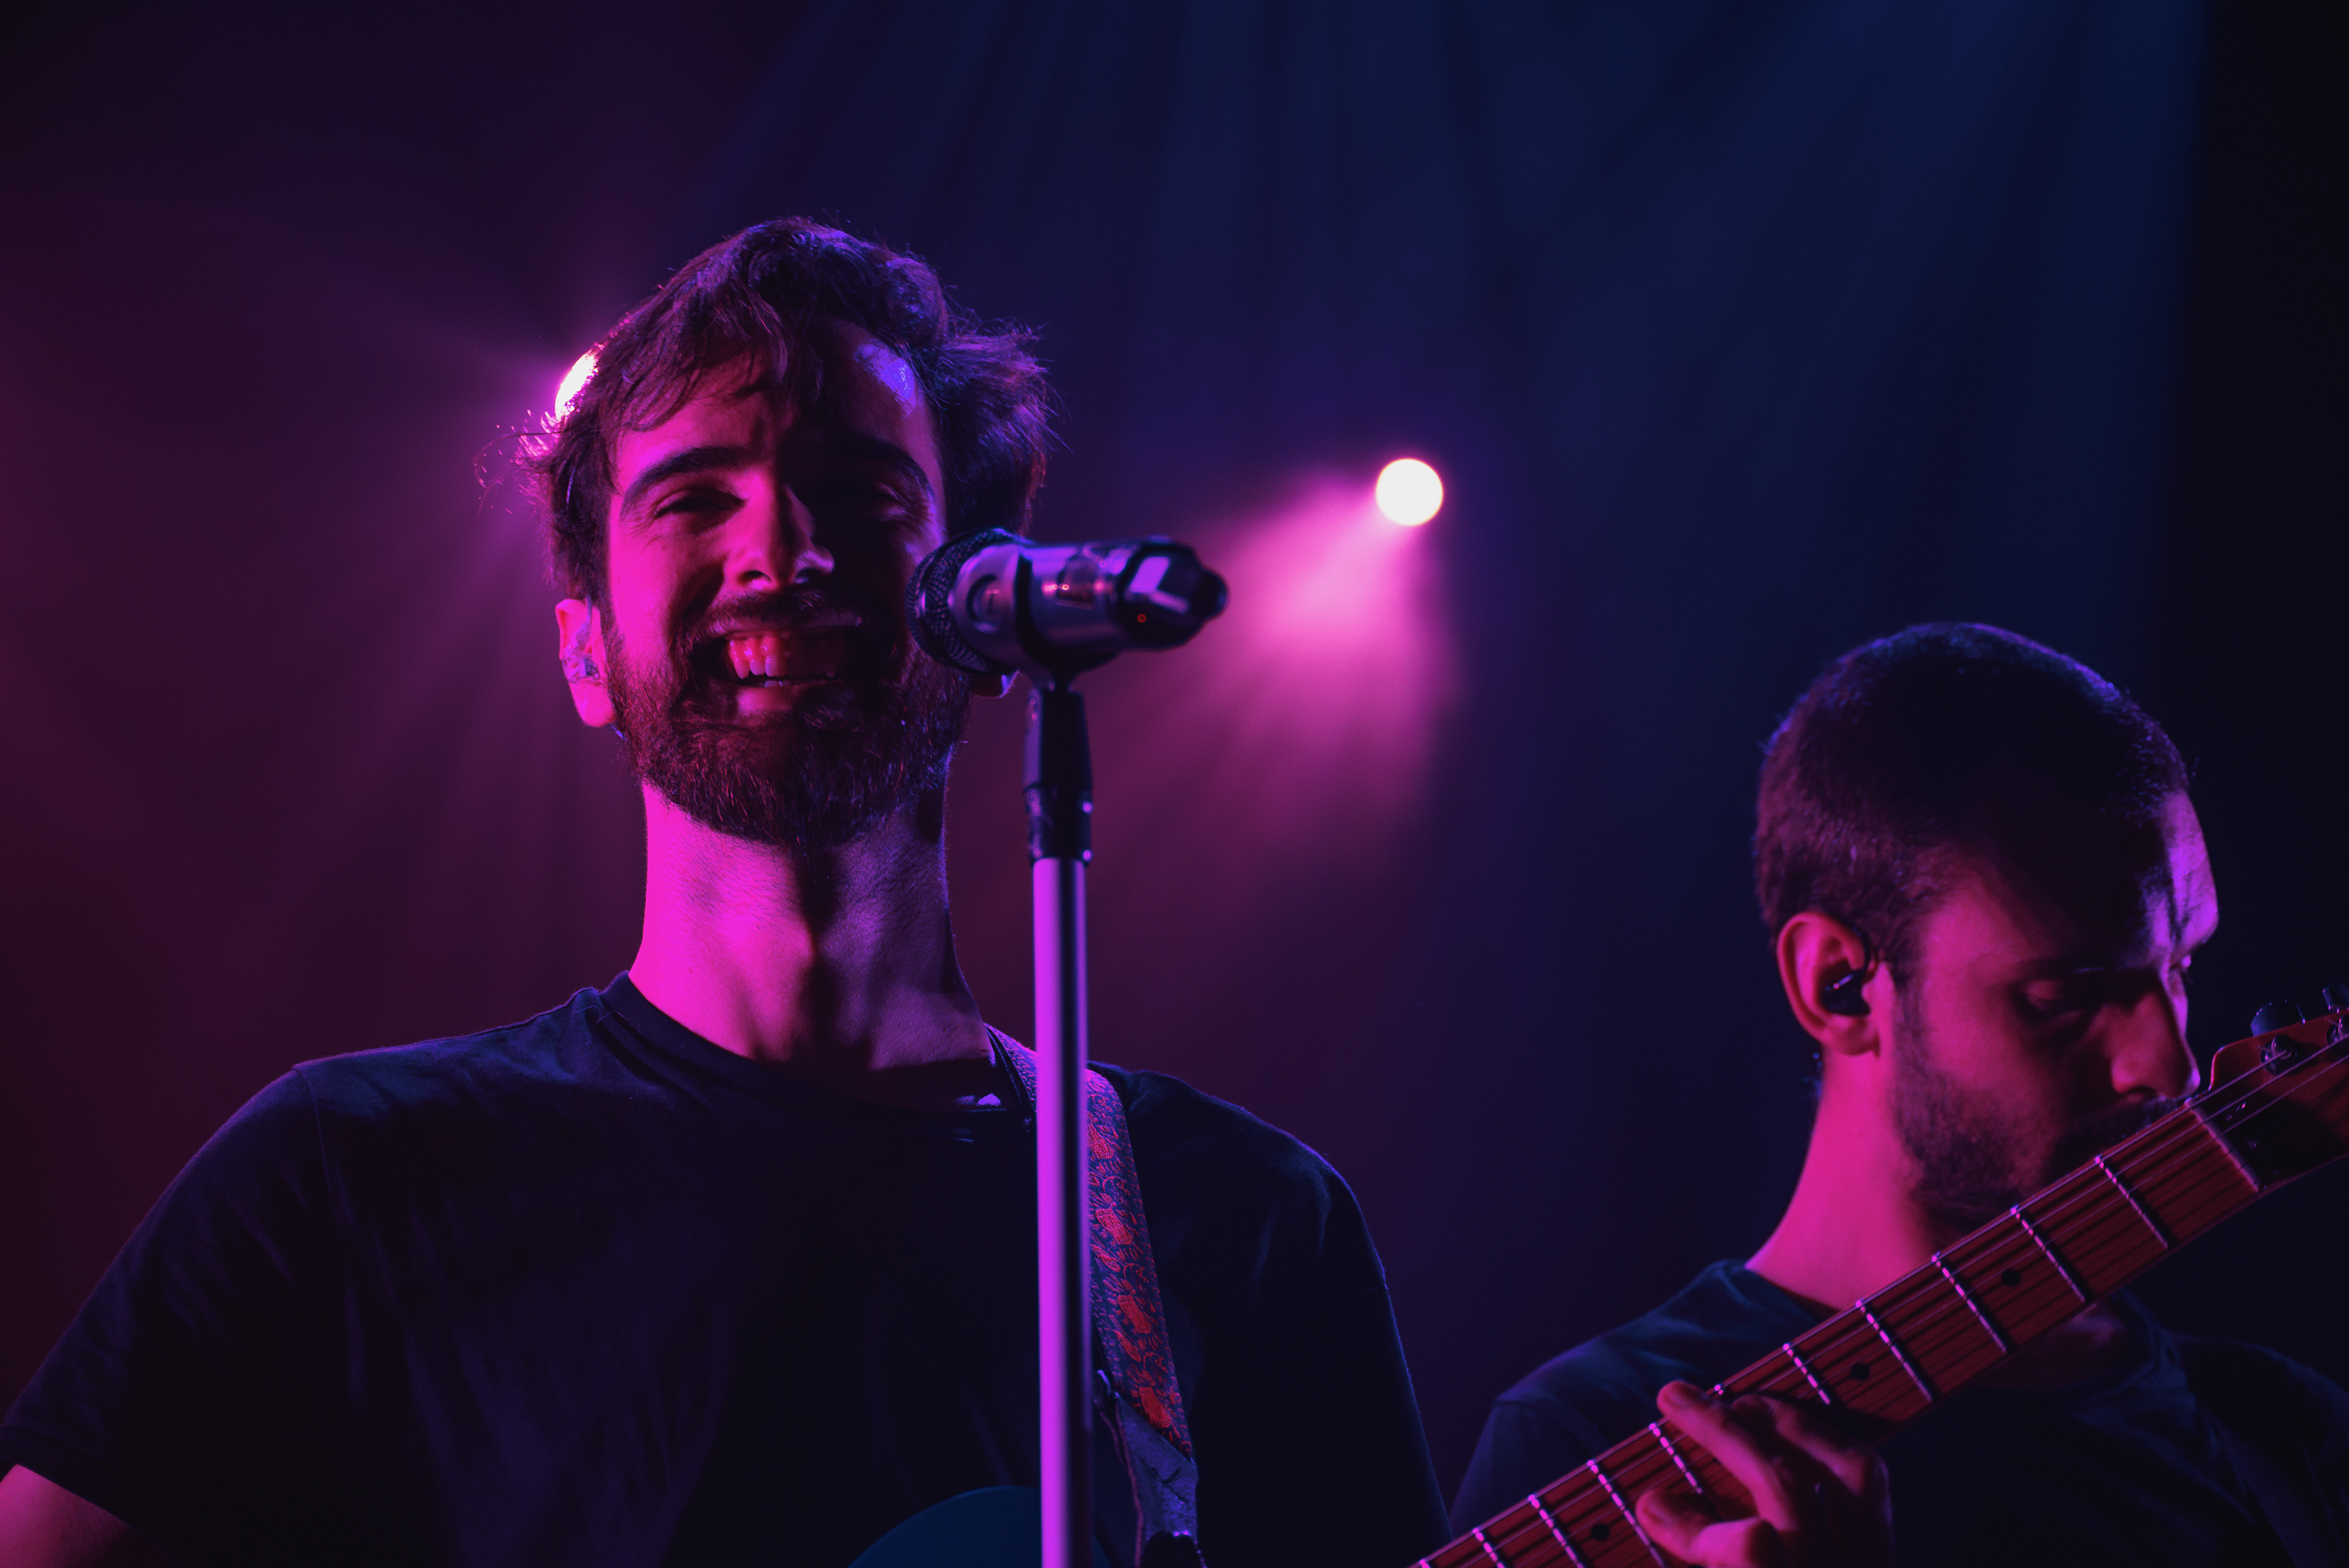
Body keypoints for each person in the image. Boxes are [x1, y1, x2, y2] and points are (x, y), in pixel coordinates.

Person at [0, 219, 1452, 1568]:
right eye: (696, 499)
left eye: (860, 492)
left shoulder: (1240, 1223)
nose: (782, 553)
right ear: (585, 654)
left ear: (984, 610)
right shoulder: (347, 1177)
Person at [1451, 624, 2349, 1567]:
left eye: (2181, 966)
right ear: (1838, 985)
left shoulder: (2290, 1439)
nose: (2172, 1068)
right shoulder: (1592, 1445)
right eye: (2065, 996)